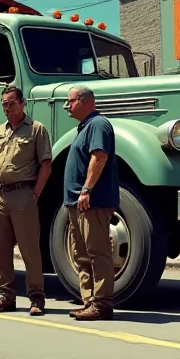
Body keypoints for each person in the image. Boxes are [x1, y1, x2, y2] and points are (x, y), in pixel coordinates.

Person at [0, 86, 52, 315]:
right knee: (0, 249)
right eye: (4, 104)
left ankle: (36, 297)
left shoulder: (36, 130)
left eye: (11, 103)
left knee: (29, 249)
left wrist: (36, 193)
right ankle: (6, 296)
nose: (7, 108)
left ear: (22, 103)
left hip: (23, 195)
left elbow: (46, 164)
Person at [63, 85, 118, 321]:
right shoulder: (84, 127)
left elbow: (99, 156)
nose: (67, 105)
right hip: (79, 203)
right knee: (82, 254)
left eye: (71, 101)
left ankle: (102, 303)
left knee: (98, 252)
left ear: (85, 101)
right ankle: (89, 302)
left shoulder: (98, 124)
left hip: (91, 203)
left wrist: (86, 191)